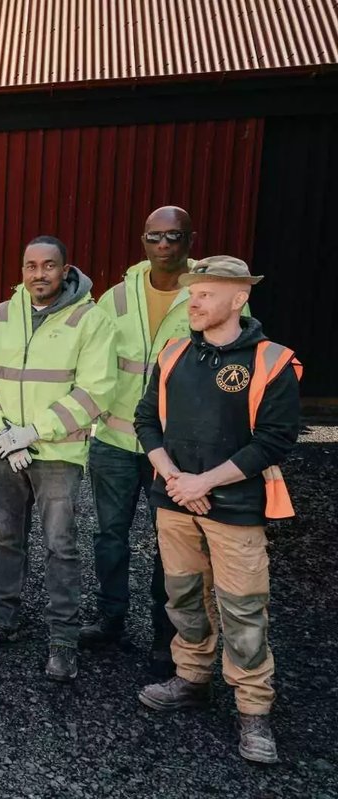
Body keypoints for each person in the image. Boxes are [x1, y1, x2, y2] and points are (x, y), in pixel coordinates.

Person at [134, 256, 300, 764]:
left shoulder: (271, 361)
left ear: (239, 298)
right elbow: (145, 421)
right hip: (176, 502)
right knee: (183, 595)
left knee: (243, 607)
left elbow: (274, 440)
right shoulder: (174, 353)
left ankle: (254, 711)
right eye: (192, 293)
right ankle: (192, 679)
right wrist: (179, 482)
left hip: (235, 508)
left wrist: (203, 481)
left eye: (205, 293)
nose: (194, 301)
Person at [0, 236, 116, 682]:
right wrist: (3, 433)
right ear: (22, 269)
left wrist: (34, 432)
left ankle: (63, 641)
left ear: (66, 270)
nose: (39, 274)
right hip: (4, 449)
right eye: (31, 266)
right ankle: (1, 620)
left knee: (60, 545)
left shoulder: (90, 320)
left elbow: (96, 391)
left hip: (58, 454)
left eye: (49, 266)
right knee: (7, 537)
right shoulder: (1, 316)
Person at [85, 206, 198, 676]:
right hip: (113, 439)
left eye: (173, 236)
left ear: (189, 240)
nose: (164, 245)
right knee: (109, 536)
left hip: (174, 448)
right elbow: (91, 358)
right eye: (155, 237)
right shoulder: (117, 296)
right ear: (143, 241)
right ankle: (110, 620)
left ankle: (164, 634)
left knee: (169, 544)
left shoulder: (206, 293)